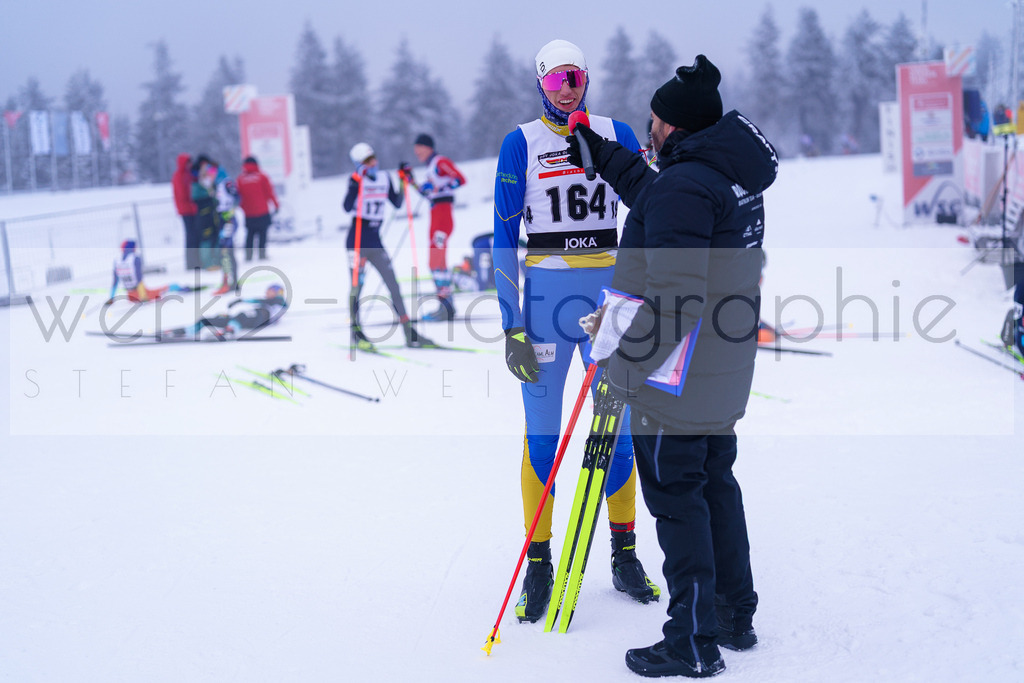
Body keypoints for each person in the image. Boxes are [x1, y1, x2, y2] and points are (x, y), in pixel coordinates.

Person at [566, 55, 778, 677]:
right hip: (721, 366)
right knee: (714, 483)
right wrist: (604, 156)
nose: (649, 130)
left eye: (654, 122)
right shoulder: (719, 173)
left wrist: (622, 365)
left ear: (676, 128)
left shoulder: (687, 184)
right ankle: (733, 616)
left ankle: (690, 641)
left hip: (677, 374)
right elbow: (660, 199)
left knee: (677, 496)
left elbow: (675, 299)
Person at [492, 38, 661, 626]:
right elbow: (502, 239)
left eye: (578, 77)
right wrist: (511, 323)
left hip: (609, 297)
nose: (570, 88)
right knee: (542, 434)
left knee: (613, 429)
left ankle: (623, 553)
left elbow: (649, 208)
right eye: (560, 78)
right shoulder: (521, 143)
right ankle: (539, 562)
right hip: (544, 301)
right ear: (542, 82)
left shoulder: (615, 131)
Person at [345, 142, 433, 350]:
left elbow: (397, 202)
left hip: (375, 242)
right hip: (356, 242)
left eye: (373, 158)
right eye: (367, 161)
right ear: (358, 164)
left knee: (393, 285)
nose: (373, 163)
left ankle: (409, 332)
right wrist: (356, 184)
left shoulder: (384, 177)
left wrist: (402, 180)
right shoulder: (355, 179)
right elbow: (346, 206)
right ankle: (356, 332)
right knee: (357, 287)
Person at [408, 132, 466, 321]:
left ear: (428, 147)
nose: (417, 152)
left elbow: (460, 179)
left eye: (419, 148)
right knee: (437, 263)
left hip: (443, 216)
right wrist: (410, 180)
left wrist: (438, 188)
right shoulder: (430, 167)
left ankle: (446, 306)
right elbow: (428, 194)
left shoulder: (440, 162)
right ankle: (446, 306)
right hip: (435, 216)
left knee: (435, 262)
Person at [177, 283, 289, 339]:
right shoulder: (268, 302)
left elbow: (267, 302)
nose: (267, 293)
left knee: (242, 315)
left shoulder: (280, 302)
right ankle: (190, 330)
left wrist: (241, 300)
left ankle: (229, 331)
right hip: (252, 318)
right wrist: (240, 301)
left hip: (262, 318)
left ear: (277, 292)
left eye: (270, 291)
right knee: (219, 318)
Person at [236, 155, 279, 261]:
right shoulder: (262, 177)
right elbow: (269, 192)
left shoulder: (240, 179)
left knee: (250, 234)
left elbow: (238, 196)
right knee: (262, 233)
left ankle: (248, 255)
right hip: (262, 210)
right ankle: (262, 254)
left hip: (248, 212)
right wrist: (276, 204)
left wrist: (243, 207)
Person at [191, 155, 226, 269]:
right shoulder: (197, 187)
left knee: (216, 237)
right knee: (206, 239)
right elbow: (198, 200)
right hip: (204, 217)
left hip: (213, 216)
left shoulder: (213, 185)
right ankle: (207, 263)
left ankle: (217, 261)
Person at [213, 175, 240, 296]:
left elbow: (237, 197)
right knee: (226, 250)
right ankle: (231, 281)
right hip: (224, 218)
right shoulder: (217, 184)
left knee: (226, 250)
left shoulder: (226, 182)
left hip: (228, 218)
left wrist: (230, 210)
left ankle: (229, 282)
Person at [172, 153, 199, 269]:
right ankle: (191, 262)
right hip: (186, 210)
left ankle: (195, 261)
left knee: (194, 235)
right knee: (191, 236)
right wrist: (192, 201)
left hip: (191, 209)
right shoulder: (179, 176)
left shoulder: (188, 175)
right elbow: (183, 194)